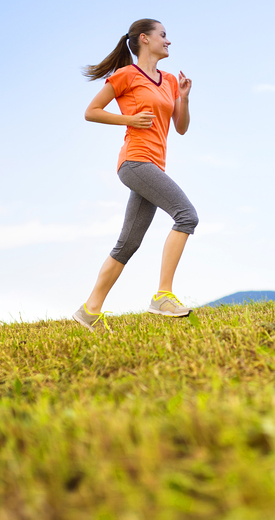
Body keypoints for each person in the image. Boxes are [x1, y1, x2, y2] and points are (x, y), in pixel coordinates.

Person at [73, 18, 198, 333]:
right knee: (186, 216)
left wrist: (183, 97)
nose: (168, 41)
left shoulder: (169, 80)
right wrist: (129, 119)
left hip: (154, 166)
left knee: (127, 244)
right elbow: (92, 111)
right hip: (135, 162)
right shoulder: (126, 75)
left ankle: (90, 310)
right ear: (145, 39)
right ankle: (163, 295)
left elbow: (180, 128)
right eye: (163, 35)